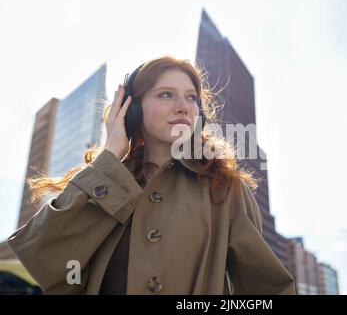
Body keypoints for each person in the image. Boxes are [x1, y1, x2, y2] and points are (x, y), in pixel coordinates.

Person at [7, 56, 296, 295]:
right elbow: (45, 256)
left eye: (191, 97)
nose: (183, 106)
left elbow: (268, 291)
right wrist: (110, 157)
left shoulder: (225, 189)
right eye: (166, 94)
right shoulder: (103, 181)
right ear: (131, 111)